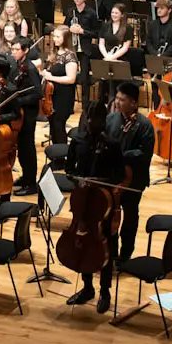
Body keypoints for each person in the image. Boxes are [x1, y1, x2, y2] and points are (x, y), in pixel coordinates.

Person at [64, 102, 126, 314]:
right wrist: (78, 181)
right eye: (89, 119)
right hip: (82, 202)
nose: (91, 124)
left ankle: (105, 291)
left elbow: (118, 176)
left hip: (102, 204)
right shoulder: (78, 140)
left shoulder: (112, 144)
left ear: (103, 121)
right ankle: (87, 287)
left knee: (105, 245)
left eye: (97, 120)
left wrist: (99, 183)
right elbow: (68, 169)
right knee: (82, 242)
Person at [108, 81, 155, 264]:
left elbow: (145, 153)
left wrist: (122, 154)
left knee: (130, 218)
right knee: (110, 216)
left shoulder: (144, 125)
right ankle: (111, 252)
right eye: (117, 99)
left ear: (134, 103)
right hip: (112, 178)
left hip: (134, 179)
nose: (118, 103)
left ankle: (126, 254)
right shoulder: (112, 119)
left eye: (122, 100)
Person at [11, 37, 42, 194]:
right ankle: (25, 177)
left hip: (28, 114)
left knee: (27, 148)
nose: (14, 52)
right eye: (13, 49)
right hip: (21, 113)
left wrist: (19, 101)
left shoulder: (29, 69)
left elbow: (38, 93)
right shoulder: (18, 66)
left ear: (26, 50)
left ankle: (31, 183)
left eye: (17, 49)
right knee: (21, 148)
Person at [40, 25, 78, 145]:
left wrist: (51, 77)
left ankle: (61, 156)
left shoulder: (70, 55)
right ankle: (55, 157)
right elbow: (48, 71)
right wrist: (44, 72)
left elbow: (71, 79)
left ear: (65, 38)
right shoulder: (54, 53)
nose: (54, 39)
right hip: (52, 96)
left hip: (64, 96)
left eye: (57, 37)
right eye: (54, 36)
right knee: (53, 125)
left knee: (59, 125)